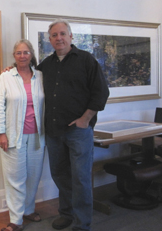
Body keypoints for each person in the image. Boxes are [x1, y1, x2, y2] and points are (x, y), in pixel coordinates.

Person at [37, 19, 109, 231]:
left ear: (71, 36)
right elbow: (28, 77)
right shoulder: (46, 65)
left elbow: (101, 92)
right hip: (53, 131)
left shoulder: (86, 60)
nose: (58, 38)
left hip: (78, 131)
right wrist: (12, 69)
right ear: (49, 40)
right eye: (54, 35)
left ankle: (82, 223)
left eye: (62, 34)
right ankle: (66, 214)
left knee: (80, 178)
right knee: (60, 175)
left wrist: (85, 119)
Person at [0, 39, 46, 231]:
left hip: (38, 136)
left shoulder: (40, 76)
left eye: (26, 52)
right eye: (18, 53)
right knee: (15, 178)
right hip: (13, 136)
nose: (22, 56)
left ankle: (29, 210)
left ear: (31, 55)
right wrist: (1, 133)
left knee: (33, 175)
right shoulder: (5, 78)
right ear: (14, 56)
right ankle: (16, 219)